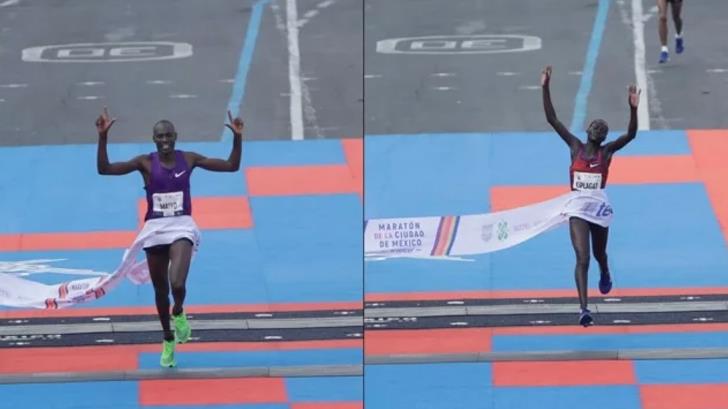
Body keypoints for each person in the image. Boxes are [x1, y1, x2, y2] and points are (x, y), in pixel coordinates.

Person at [95, 107, 244, 366]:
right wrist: (103, 137)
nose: (165, 141)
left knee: (177, 285)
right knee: (160, 290)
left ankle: (180, 312)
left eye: (168, 136)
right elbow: (105, 169)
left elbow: (231, 166)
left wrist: (238, 137)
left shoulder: (188, 159)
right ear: (154, 140)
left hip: (182, 226)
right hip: (154, 229)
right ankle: (168, 339)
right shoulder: (144, 162)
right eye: (160, 137)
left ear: (176, 136)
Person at [541, 66, 640, 326]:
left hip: (598, 209)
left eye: (602, 127)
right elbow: (553, 119)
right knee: (582, 258)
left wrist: (633, 108)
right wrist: (545, 86)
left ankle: (605, 271)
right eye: (595, 125)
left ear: (603, 136)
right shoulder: (574, 147)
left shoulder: (606, 153)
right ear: (587, 130)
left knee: (599, 255)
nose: (598, 127)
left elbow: (630, 135)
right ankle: (584, 309)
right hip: (576, 210)